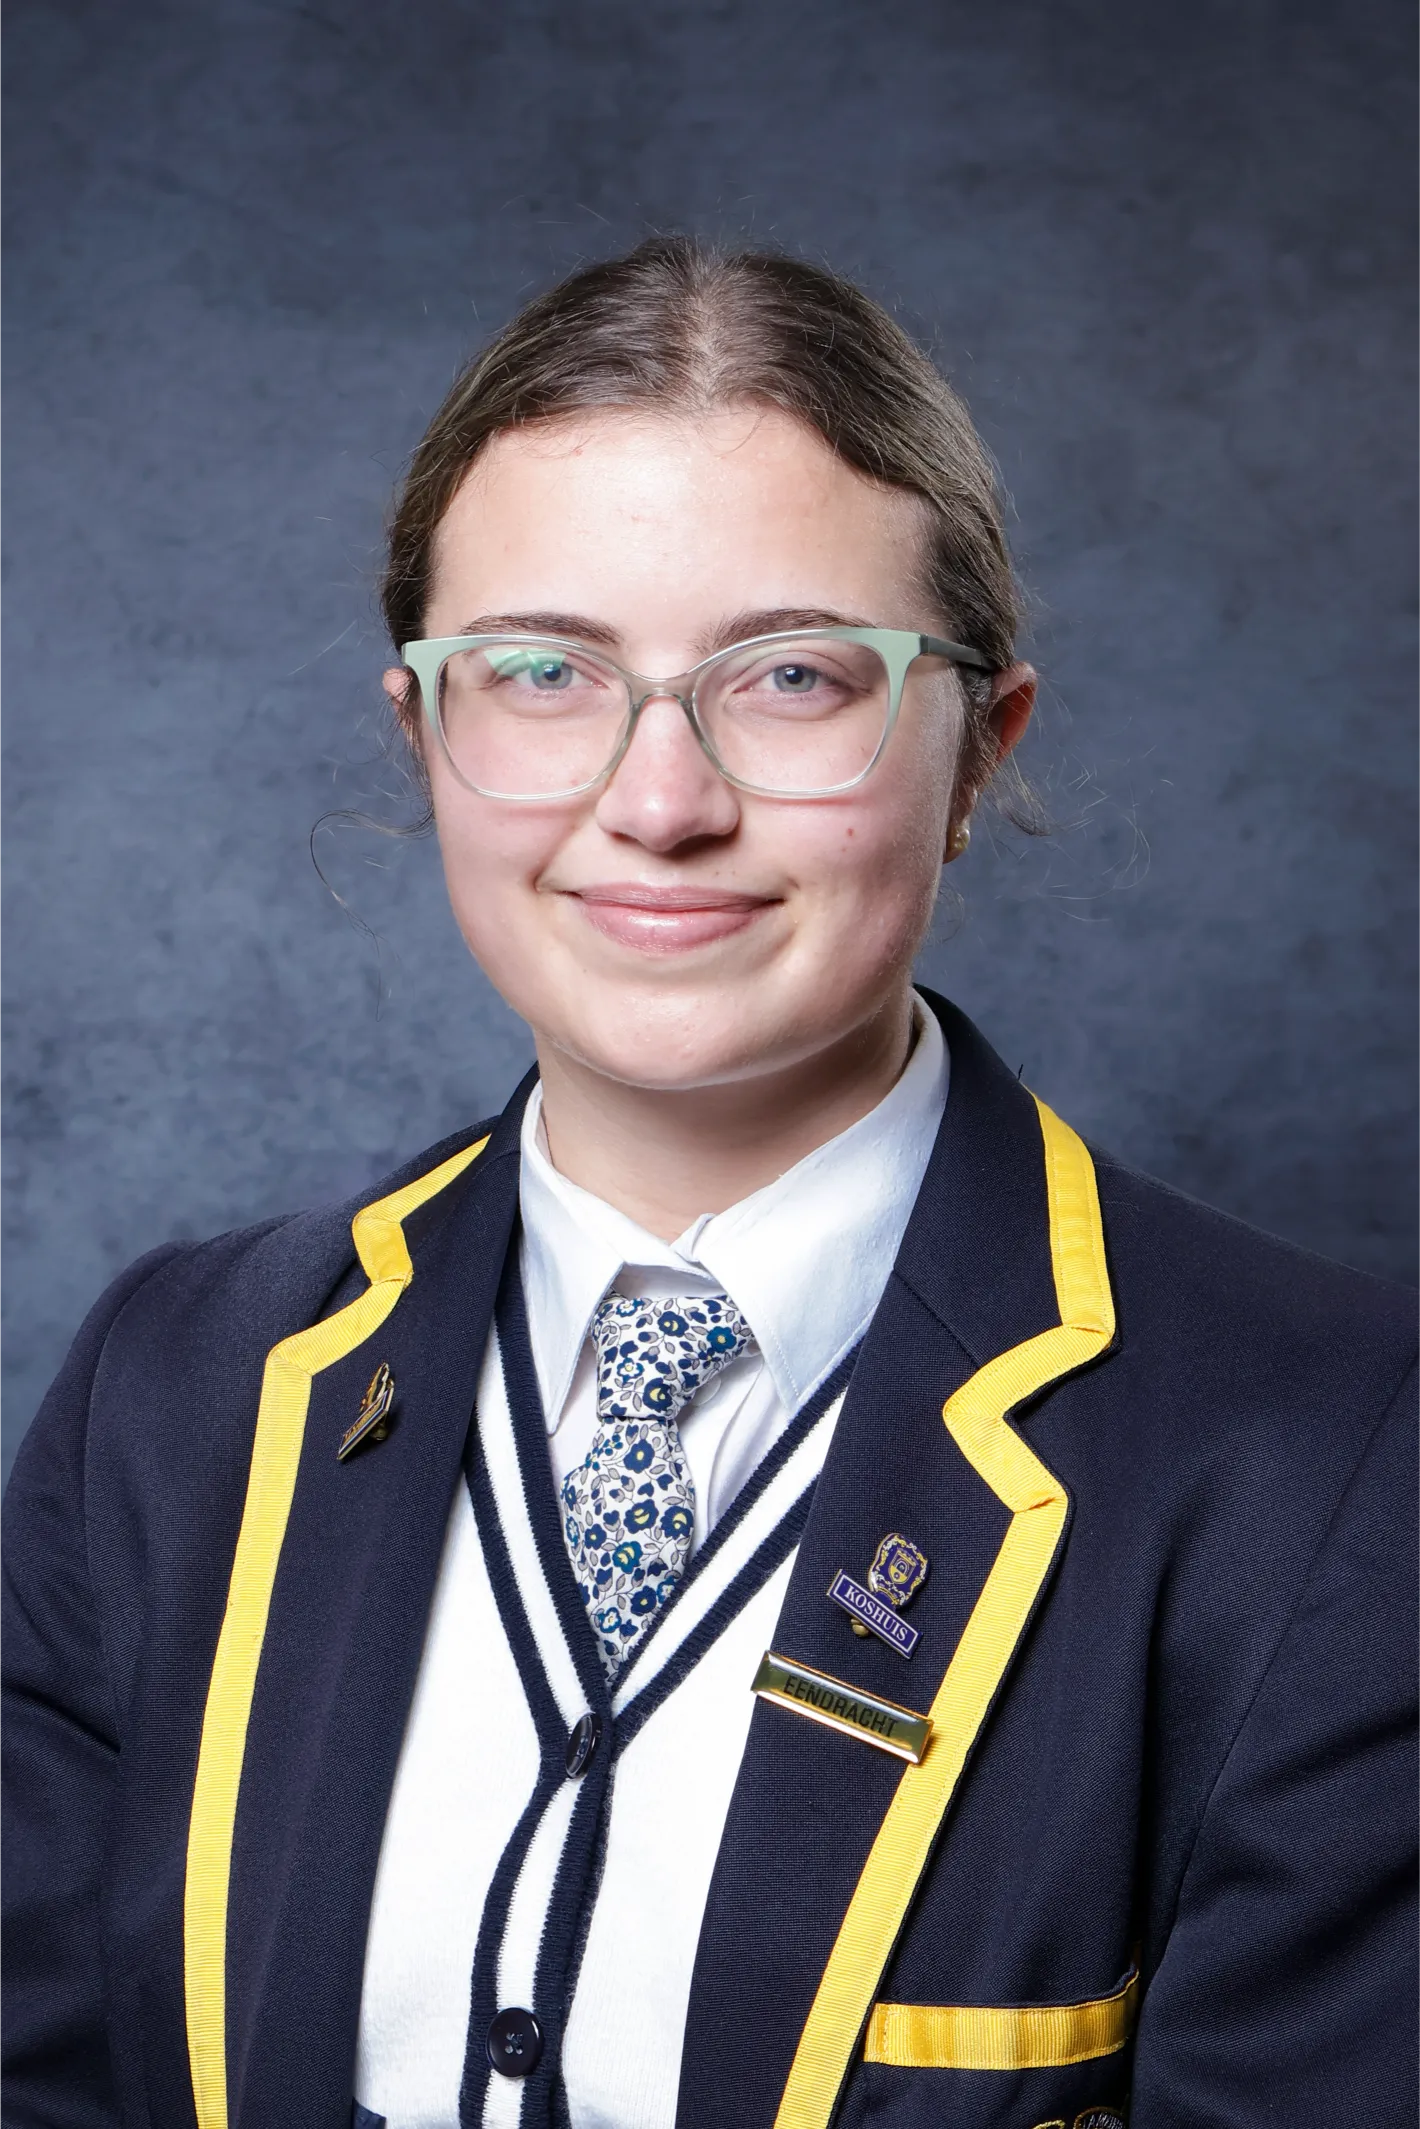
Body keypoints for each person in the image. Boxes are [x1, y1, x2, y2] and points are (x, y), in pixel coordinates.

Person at [2, 237, 1418, 2129]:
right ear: (423, 735)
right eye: (538, 671)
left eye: (795, 676)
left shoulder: (1332, 1451)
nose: (660, 801)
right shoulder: (177, 1387)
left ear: (977, 751)